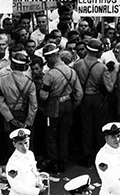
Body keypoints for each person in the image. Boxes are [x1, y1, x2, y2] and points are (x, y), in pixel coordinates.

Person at [40, 43, 83, 174]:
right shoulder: (72, 71)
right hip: (68, 104)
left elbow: (43, 95)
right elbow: (79, 93)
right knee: (64, 135)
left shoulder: (50, 75)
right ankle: (63, 162)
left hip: (53, 107)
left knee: (51, 135)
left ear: (51, 57)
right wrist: (72, 106)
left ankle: (54, 162)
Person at [72, 39, 113, 168]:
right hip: (98, 98)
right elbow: (109, 88)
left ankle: (87, 156)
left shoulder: (77, 64)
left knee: (86, 128)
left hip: (84, 98)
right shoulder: (101, 67)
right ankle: (99, 155)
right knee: (99, 127)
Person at [6, 128, 45, 195]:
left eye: (26, 143)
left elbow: (34, 172)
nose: (24, 147)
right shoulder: (12, 163)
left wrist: (39, 182)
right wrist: (37, 192)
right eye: (20, 144)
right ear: (14, 144)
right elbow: (17, 187)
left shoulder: (30, 154)